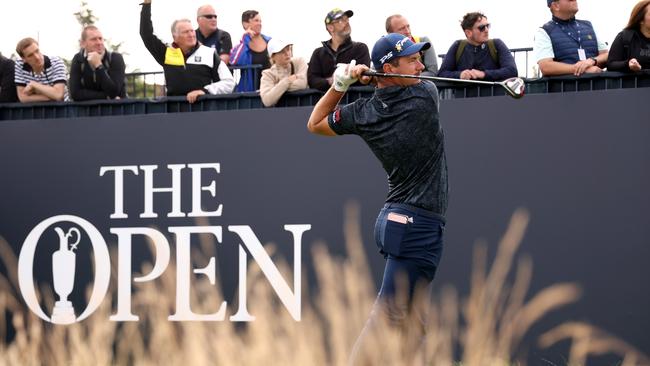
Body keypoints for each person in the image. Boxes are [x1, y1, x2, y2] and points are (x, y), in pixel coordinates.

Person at [307, 33, 447, 363]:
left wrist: (340, 85)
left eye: (418, 58)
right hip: (415, 225)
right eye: (411, 60)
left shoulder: (365, 112)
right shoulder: (424, 96)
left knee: (413, 322)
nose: (420, 65)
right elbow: (412, 86)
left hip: (399, 220)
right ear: (389, 68)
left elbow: (316, 123)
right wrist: (371, 78)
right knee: (390, 317)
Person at [139, 0, 235, 103]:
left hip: (204, 110)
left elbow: (229, 83)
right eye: (185, 32)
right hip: (175, 111)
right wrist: (146, 5)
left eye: (192, 30)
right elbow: (146, 34)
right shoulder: (167, 53)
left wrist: (205, 91)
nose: (191, 34)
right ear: (175, 37)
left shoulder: (209, 53)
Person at [534, 0, 609, 77]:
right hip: (566, 87)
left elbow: (606, 55)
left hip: (597, 86)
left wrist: (592, 61)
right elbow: (546, 66)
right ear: (556, 6)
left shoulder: (588, 25)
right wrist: (581, 69)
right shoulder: (544, 31)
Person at [438, 12, 518, 81]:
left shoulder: (497, 44)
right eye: (482, 28)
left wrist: (483, 74)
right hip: (463, 98)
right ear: (468, 33)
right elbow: (442, 74)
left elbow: (512, 71)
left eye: (488, 26)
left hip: (494, 97)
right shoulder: (457, 46)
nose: (486, 30)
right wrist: (460, 75)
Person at [307, 8, 371, 91]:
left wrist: (342, 79)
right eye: (341, 20)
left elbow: (364, 77)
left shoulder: (360, 48)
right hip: (326, 102)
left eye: (347, 19)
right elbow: (312, 81)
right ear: (330, 27)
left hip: (354, 100)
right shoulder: (318, 53)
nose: (347, 22)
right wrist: (331, 81)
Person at [69, 25, 127, 101]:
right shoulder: (78, 59)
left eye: (100, 38)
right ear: (83, 43)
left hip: (116, 110)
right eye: (93, 39)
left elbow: (114, 91)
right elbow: (75, 94)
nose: (99, 42)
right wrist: (106, 96)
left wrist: (98, 66)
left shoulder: (115, 58)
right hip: (87, 111)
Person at [14, 38, 67, 102]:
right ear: (24, 59)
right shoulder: (19, 64)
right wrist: (52, 95)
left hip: (61, 109)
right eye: (30, 55)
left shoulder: (56, 62)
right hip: (35, 110)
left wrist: (34, 85)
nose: (37, 57)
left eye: (37, 51)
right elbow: (23, 98)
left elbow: (58, 95)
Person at [230, 10, 271, 92]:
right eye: (256, 20)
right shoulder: (241, 45)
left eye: (260, 21)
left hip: (269, 91)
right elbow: (234, 61)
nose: (260, 24)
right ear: (245, 24)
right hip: (250, 94)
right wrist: (245, 38)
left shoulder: (269, 41)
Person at [259, 38, 308, 107]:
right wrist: (286, 81)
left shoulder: (299, 61)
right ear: (273, 56)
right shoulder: (267, 74)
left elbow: (302, 84)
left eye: (288, 49)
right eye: (282, 51)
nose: (287, 53)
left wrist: (276, 88)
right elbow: (267, 100)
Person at [607, 0, 650, 72]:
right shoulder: (625, 37)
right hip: (632, 82)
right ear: (640, 20)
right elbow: (611, 64)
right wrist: (628, 64)